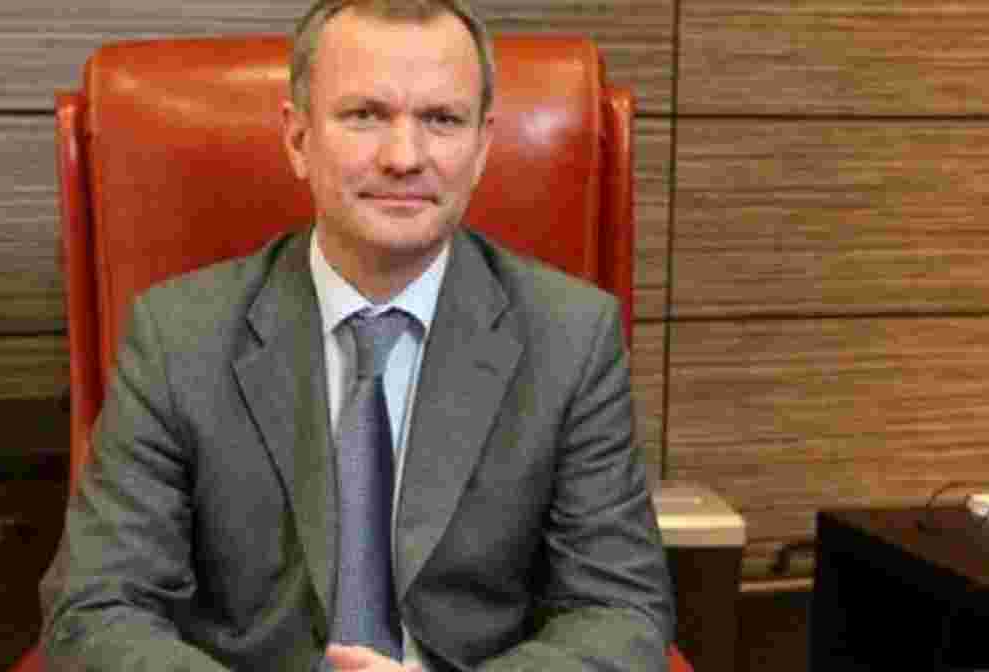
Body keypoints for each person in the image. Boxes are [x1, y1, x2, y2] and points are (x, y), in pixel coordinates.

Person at [40, 1, 674, 670]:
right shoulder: (178, 337)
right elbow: (95, 608)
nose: (404, 157)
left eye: (442, 119)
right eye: (365, 115)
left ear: (483, 146)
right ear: (298, 139)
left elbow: (620, 611)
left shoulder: (571, 339)